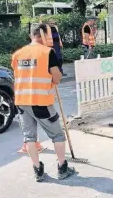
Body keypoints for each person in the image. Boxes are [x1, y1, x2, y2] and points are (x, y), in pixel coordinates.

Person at [11, 24, 76, 182]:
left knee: (29, 138)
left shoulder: (17, 54)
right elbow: (57, 77)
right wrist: (53, 79)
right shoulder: (47, 53)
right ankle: (62, 168)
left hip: (21, 102)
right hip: (40, 103)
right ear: (42, 35)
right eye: (48, 36)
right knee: (58, 135)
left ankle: (38, 170)